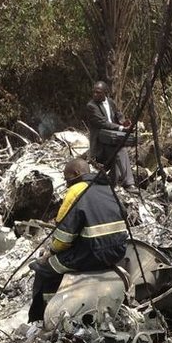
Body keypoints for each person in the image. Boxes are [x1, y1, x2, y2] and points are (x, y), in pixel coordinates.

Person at [28, 159, 129, 322]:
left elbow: (63, 237)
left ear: (76, 174)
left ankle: (44, 318)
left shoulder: (76, 191)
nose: (67, 185)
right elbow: (124, 214)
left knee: (44, 270)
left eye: (67, 179)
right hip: (118, 252)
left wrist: (50, 253)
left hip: (91, 254)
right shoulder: (107, 188)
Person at [84, 81, 135, 188]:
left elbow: (118, 114)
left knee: (120, 150)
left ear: (105, 93)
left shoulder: (111, 102)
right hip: (100, 143)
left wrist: (123, 121)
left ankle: (112, 181)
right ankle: (129, 184)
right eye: (94, 92)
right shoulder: (91, 106)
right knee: (120, 150)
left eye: (98, 93)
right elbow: (103, 123)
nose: (95, 95)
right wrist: (121, 128)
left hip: (112, 139)